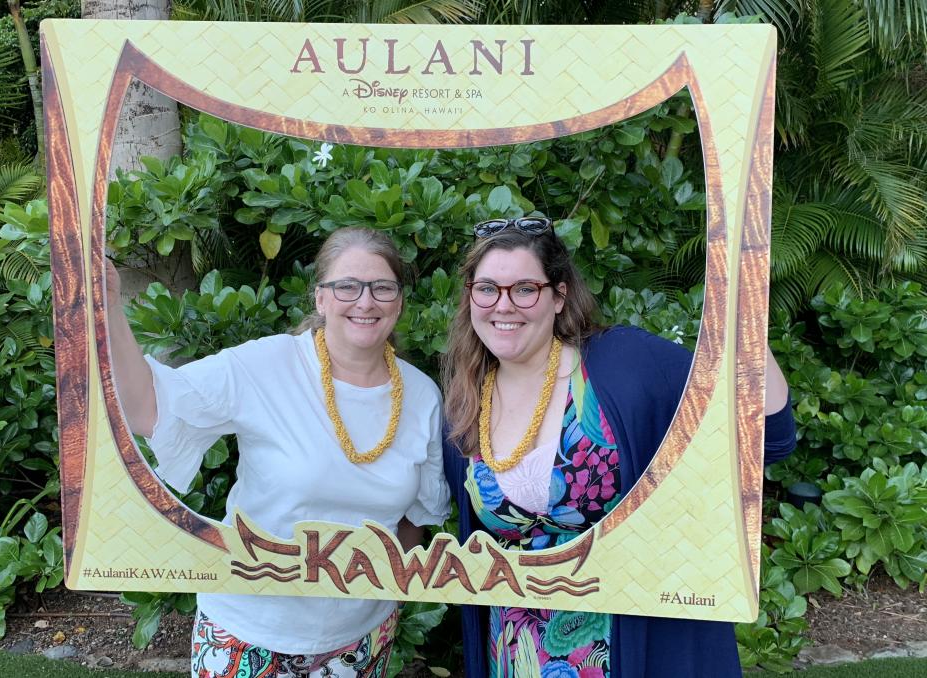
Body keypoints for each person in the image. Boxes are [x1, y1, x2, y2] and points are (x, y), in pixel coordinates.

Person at [441, 217, 797, 678]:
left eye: (525, 288)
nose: (503, 305)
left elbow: (765, 435)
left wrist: (744, 303)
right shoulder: (465, 403)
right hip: (516, 653)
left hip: (634, 646)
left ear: (559, 295)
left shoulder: (625, 364)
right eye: (487, 288)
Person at [105, 227, 450, 678]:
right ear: (320, 298)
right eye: (346, 286)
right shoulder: (264, 366)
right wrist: (109, 305)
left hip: (361, 641)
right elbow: (148, 409)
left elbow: (415, 521)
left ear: (399, 301)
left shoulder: (421, 395)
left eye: (382, 287)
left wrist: (387, 597)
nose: (365, 302)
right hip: (249, 632)